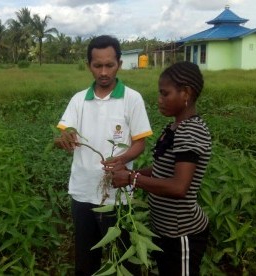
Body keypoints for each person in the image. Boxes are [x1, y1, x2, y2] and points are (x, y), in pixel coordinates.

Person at [55, 35, 153, 276]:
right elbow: (64, 133)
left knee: (124, 257)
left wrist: (120, 159)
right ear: (89, 65)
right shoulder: (79, 100)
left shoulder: (132, 99)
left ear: (119, 63)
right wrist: (63, 140)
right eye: (97, 65)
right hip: (83, 192)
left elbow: (139, 143)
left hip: (118, 195)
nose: (104, 72)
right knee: (86, 259)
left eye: (109, 65)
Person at [108, 61, 212, 275]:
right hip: (165, 230)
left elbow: (178, 187)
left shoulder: (191, 131)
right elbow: (160, 170)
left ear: (186, 93)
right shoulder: (175, 127)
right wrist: (131, 172)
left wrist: (131, 179)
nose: (159, 100)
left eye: (165, 94)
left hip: (182, 234)